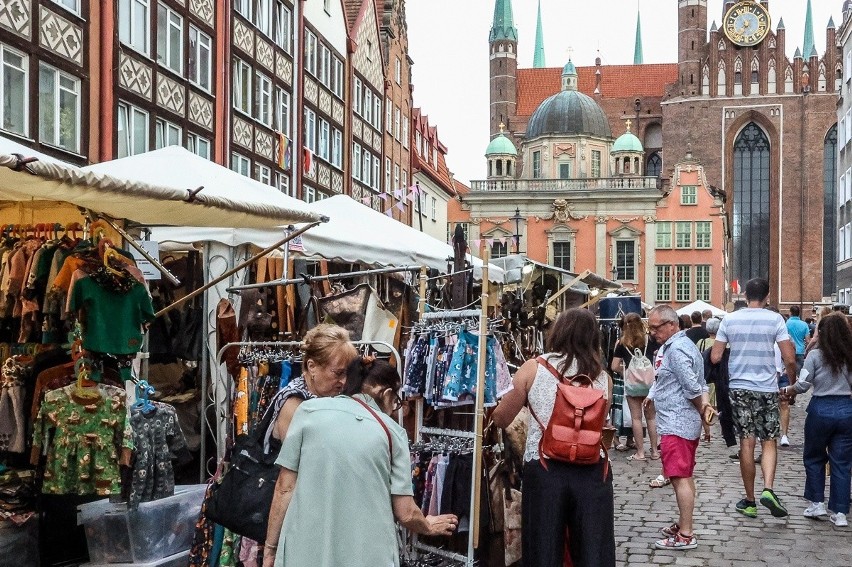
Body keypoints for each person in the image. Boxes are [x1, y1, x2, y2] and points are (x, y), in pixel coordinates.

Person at [263, 357, 457, 566]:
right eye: (396, 402)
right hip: (368, 556)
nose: (394, 409)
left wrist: (270, 549)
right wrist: (427, 525)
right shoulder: (392, 433)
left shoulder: (308, 412)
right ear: (387, 394)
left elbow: (284, 487)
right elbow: (406, 513)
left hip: (305, 551)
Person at [492, 308, 614, 567]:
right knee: (594, 548)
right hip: (592, 468)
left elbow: (501, 418)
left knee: (542, 546)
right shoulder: (603, 377)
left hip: (545, 467)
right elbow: (600, 424)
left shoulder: (533, 368)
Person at [711, 278, 797, 519]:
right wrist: (791, 384)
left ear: (745, 295)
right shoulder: (775, 319)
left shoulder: (730, 319)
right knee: (769, 440)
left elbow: (716, 356)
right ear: (767, 296)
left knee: (746, 442)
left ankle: (749, 501)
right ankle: (768, 489)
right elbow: (789, 358)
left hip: (739, 387)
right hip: (767, 388)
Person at [644, 306, 712, 551]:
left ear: (672, 325)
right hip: (679, 420)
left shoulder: (677, 350)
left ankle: (685, 534)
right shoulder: (677, 347)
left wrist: (703, 414)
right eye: (650, 328)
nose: (652, 333)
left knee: (679, 478)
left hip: (678, 421)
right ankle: (684, 523)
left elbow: (693, 387)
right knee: (684, 475)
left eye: (656, 327)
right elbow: (668, 378)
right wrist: (653, 394)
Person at [783, 313, 852, 527]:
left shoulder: (814, 356)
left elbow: (803, 385)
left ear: (821, 333)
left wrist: (787, 389)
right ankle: (840, 512)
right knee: (842, 463)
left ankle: (816, 502)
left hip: (821, 409)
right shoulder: (850, 355)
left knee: (814, 457)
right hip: (846, 410)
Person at [261, 324, 358, 456]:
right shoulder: (294, 404)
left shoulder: (322, 397)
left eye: (348, 374)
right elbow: (297, 464)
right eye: (338, 373)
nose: (344, 381)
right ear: (312, 366)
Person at [610, 313, 661, 461]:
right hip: (649, 386)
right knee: (651, 418)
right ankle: (655, 452)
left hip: (632, 386)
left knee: (636, 418)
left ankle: (640, 452)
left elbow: (614, 366)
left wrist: (626, 371)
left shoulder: (622, 343)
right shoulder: (649, 340)